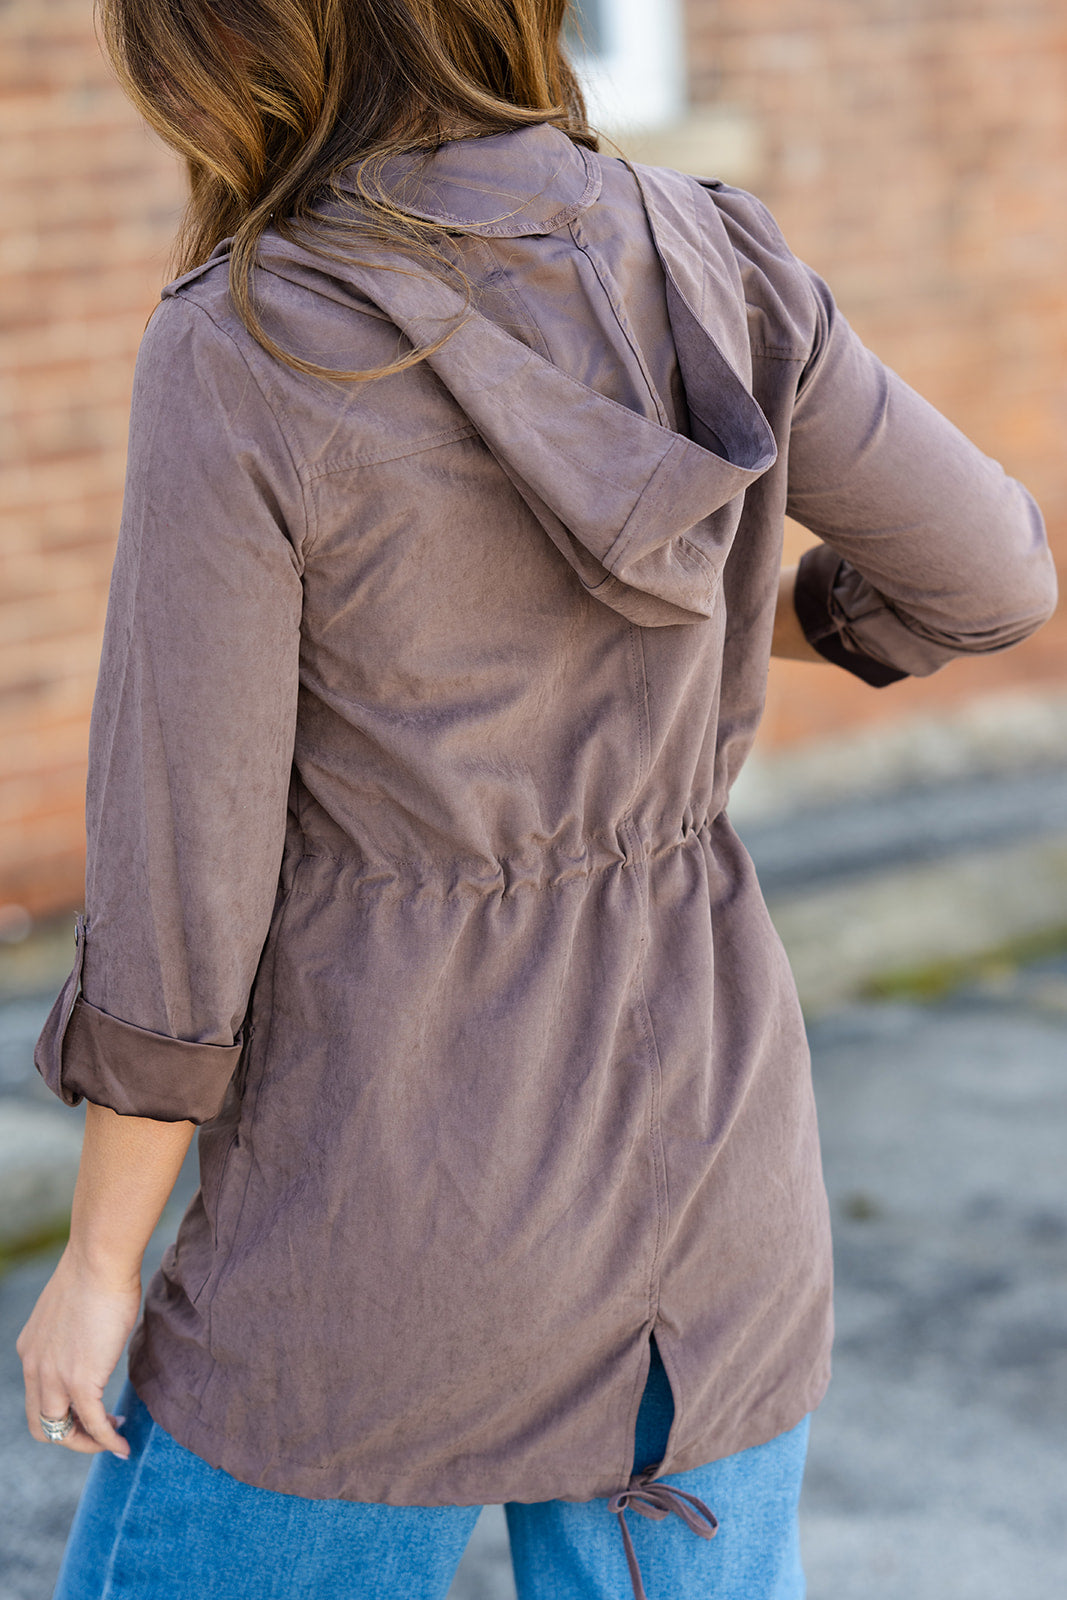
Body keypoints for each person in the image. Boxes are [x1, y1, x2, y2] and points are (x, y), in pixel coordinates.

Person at [17, 2, 1057, 1597]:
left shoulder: (247, 343)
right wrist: (754, 618)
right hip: (709, 1197)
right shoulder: (715, 252)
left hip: (380, 1224)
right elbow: (989, 575)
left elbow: (181, 882)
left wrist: (100, 1263)